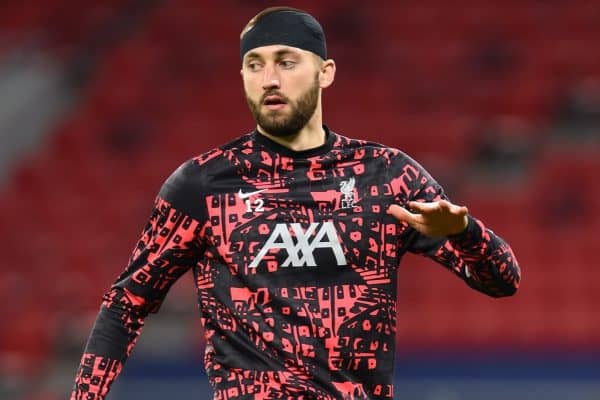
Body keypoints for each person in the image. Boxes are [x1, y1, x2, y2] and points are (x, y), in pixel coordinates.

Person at [71, 6, 521, 400]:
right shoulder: (202, 184)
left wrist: (465, 233)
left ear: (325, 72)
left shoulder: (385, 175)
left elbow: (503, 280)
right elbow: (125, 302)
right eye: (254, 64)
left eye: (287, 62)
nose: (270, 79)